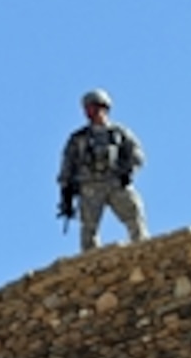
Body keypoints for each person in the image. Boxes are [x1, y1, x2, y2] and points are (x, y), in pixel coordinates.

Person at [57, 88, 149, 252]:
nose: (89, 112)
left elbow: (137, 155)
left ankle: (142, 247)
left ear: (104, 108)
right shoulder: (78, 138)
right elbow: (67, 166)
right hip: (90, 187)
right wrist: (66, 195)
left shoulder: (118, 133)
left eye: (93, 107)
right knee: (89, 227)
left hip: (115, 182)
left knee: (134, 214)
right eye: (87, 108)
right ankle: (90, 260)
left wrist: (127, 172)